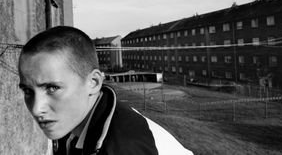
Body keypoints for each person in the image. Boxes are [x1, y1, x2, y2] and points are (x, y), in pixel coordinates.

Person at [18, 26, 193, 155]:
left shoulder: (125, 147)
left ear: (93, 83)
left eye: (52, 88)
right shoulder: (76, 121)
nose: (36, 108)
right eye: (28, 91)